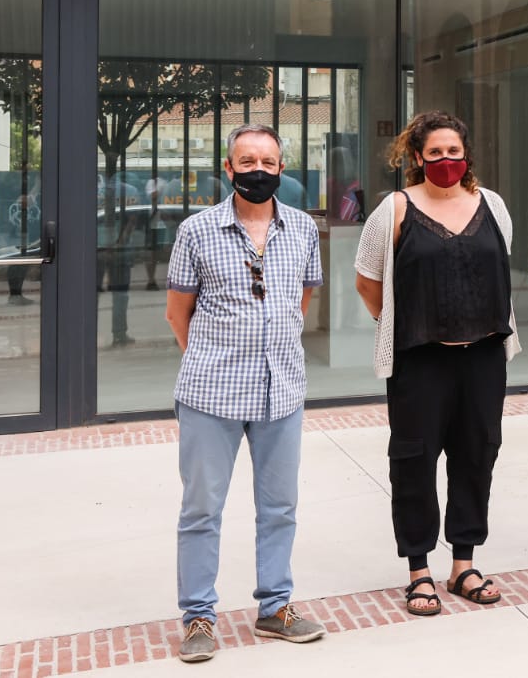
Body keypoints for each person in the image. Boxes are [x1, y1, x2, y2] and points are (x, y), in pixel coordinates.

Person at [164, 124, 326, 663]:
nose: (258, 170)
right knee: (201, 510)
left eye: (269, 162)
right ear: (228, 169)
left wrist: (269, 348)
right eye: (246, 161)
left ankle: (275, 607)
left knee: (280, 506)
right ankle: (199, 618)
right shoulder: (197, 230)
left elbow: (300, 302)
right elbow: (177, 312)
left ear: (282, 169)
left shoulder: (302, 228)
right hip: (211, 394)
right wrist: (212, 360)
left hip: (282, 391)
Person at [353, 111, 521, 616]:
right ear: (416, 157)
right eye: (435, 153)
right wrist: (400, 323)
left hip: (485, 357)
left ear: (465, 154)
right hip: (420, 361)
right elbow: (367, 280)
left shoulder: (492, 204)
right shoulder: (395, 209)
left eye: (454, 152)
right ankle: (419, 570)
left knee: (476, 456)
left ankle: (463, 564)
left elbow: (499, 266)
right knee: (413, 463)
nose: (446, 161)